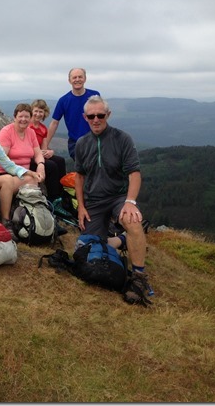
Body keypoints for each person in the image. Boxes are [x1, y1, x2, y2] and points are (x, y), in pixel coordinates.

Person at [74, 95, 153, 306]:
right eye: (91, 116)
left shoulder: (122, 139)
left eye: (100, 115)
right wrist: (81, 206)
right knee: (88, 246)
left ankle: (138, 276)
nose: (96, 119)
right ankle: (123, 240)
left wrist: (130, 202)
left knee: (133, 222)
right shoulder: (82, 144)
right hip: (94, 200)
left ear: (108, 115)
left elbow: (134, 173)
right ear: (85, 117)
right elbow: (79, 177)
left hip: (119, 197)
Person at [43, 68, 100, 160]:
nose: (77, 79)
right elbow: (54, 123)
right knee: (85, 167)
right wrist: (45, 145)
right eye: (74, 77)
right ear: (69, 80)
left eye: (80, 77)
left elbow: (102, 116)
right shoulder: (63, 100)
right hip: (76, 143)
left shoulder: (95, 96)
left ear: (85, 79)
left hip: (96, 139)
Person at [0, 103, 47, 190]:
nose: (23, 119)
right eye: (20, 116)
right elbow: (3, 159)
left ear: (30, 118)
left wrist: (41, 165)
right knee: (32, 180)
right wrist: (27, 173)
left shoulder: (31, 132)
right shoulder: (6, 132)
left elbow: (38, 153)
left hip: (22, 173)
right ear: (15, 117)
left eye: (27, 117)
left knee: (48, 168)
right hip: (5, 173)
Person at [30, 99, 67, 200]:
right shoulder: (27, 126)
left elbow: (44, 147)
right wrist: (39, 153)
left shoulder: (43, 129)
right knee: (51, 166)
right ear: (31, 111)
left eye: (41, 111)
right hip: (30, 157)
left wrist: (50, 152)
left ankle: (62, 194)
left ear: (44, 113)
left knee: (60, 161)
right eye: (36, 111)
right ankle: (53, 198)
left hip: (39, 155)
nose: (38, 114)